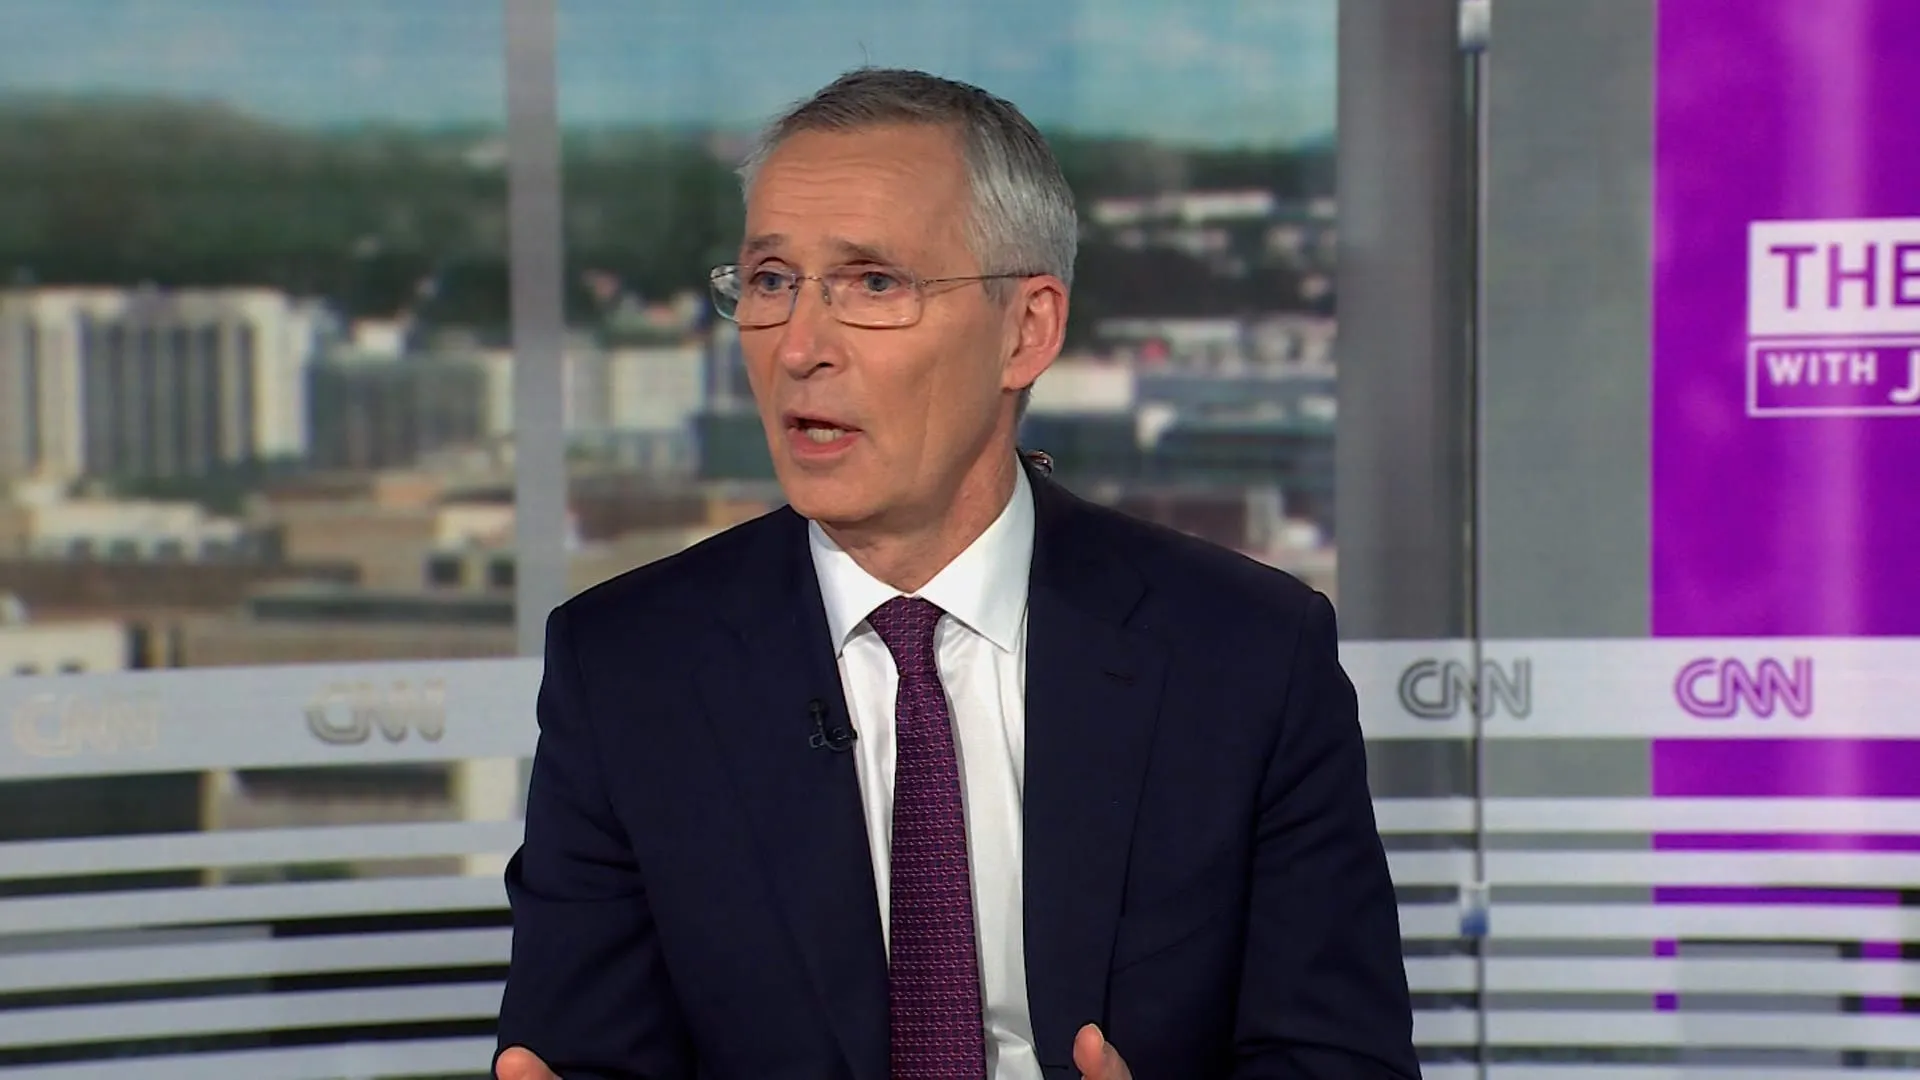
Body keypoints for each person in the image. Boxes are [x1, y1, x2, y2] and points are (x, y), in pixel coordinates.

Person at [495, 68, 1418, 1080]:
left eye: (873, 284)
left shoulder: (1246, 657)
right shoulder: (628, 671)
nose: (800, 347)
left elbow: (1338, 1060)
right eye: (770, 281)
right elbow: (583, 1056)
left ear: (1028, 330)